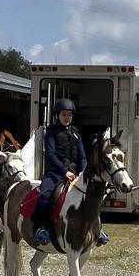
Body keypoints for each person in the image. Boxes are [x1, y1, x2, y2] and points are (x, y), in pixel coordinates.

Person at [32, 98, 85, 248]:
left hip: (75, 174)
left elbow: (82, 156)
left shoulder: (76, 133)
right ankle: (40, 228)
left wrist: (82, 172)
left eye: (69, 115)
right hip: (55, 173)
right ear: (58, 115)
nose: (67, 117)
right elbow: (50, 153)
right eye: (64, 114)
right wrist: (64, 171)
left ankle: (96, 230)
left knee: (91, 196)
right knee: (44, 196)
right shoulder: (51, 132)